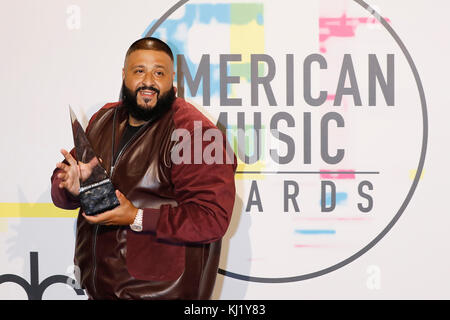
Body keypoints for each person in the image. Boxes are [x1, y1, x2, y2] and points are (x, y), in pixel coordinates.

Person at [50, 37, 237, 300]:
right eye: (139, 71)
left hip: (162, 294)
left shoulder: (196, 133)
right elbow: (65, 187)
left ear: (172, 78)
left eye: (158, 73)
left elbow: (211, 218)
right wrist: (71, 187)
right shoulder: (103, 119)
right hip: (100, 289)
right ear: (124, 75)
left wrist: (136, 217)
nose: (148, 81)